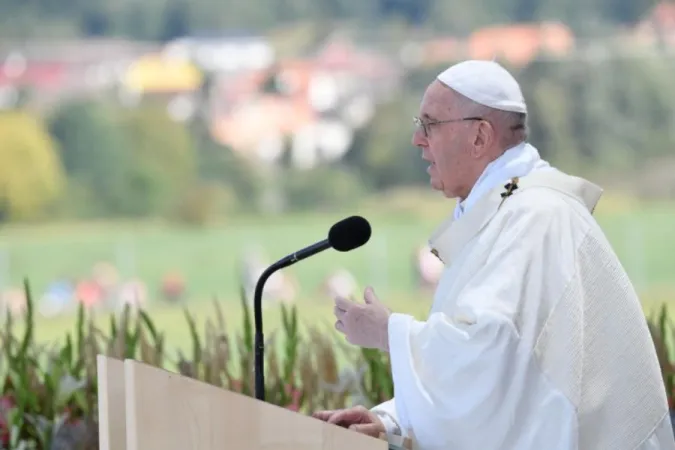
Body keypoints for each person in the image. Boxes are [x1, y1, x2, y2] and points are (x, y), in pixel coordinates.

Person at [312, 60, 675, 449]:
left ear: (480, 136)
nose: (418, 140)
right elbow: (502, 387)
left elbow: (489, 351)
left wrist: (389, 332)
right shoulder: (506, 212)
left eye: (430, 124)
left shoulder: (536, 217)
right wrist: (390, 421)